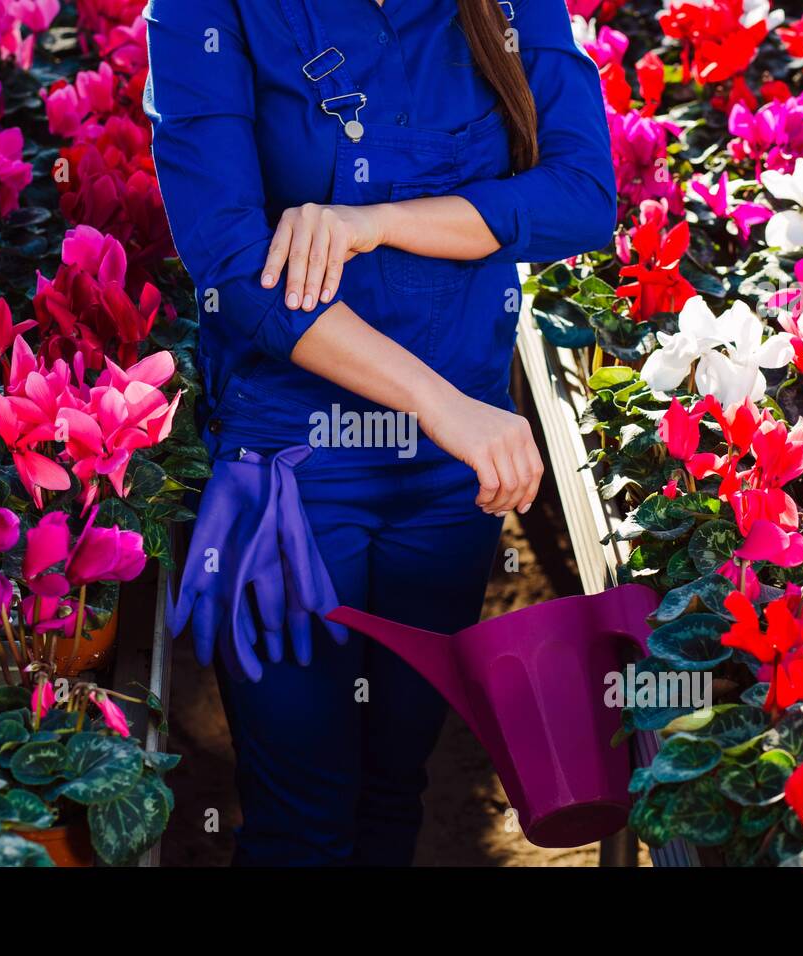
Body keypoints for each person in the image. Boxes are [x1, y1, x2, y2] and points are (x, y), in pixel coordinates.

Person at [144, 0, 616, 866]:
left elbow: (583, 200)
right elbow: (231, 263)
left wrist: (377, 223)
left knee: (395, 787)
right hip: (294, 467)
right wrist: (440, 402)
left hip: (451, 479)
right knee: (303, 821)